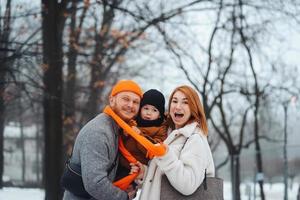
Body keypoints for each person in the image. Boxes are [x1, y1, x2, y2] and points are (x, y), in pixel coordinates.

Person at [63, 80, 144, 200]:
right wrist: (123, 197)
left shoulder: (119, 130)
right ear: (112, 100)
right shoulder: (99, 132)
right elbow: (95, 184)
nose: (130, 105)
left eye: (135, 102)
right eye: (125, 99)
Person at [139, 85, 215, 200]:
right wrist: (144, 172)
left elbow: (188, 184)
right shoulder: (169, 134)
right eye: (174, 101)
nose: (178, 106)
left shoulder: (194, 138)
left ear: (193, 108)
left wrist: (165, 155)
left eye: (185, 102)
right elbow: (164, 176)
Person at [118, 89, 167, 175]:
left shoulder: (160, 129)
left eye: (154, 110)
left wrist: (139, 136)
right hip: (120, 161)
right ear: (140, 109)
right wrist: (125, 134)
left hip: (138, 168)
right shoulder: (133, 122)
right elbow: (120, 140)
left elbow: (154, 149)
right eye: (146, 108)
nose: (148, 113)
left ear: (160, 114)